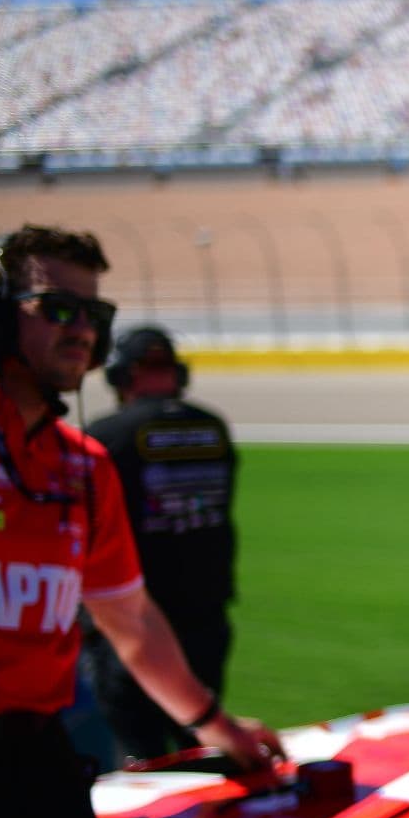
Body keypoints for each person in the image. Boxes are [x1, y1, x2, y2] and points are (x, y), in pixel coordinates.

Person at [0, 224, 284, 818]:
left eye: (93, 311)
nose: (82, 329)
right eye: (56, 306)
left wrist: (218, 728)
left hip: (41, 773)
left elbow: (130, 622)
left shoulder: (84, 467)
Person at [79, 325, 239, 763]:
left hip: (136, 622)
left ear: (119, 377)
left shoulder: (104, 436)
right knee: (203, 741)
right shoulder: (214, 428)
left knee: (139, 754)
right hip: (207, 616)